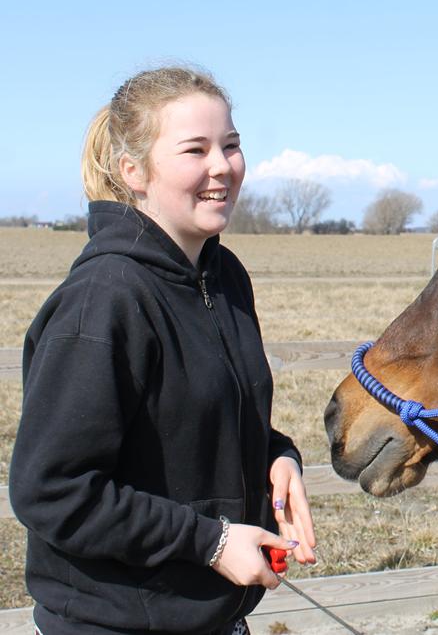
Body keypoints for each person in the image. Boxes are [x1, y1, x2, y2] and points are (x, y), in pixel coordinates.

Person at [9, 67, 317, 634]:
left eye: (231, 145)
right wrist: (211, 542)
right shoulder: (104, 299)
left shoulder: (224, 277)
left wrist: (277, 458)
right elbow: (52, 491)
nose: (221, 166)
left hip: (213, 620)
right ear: (134, 172)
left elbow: (206, 425)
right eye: (195, 149)